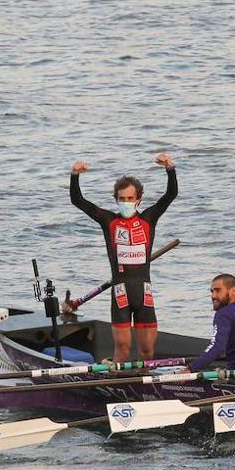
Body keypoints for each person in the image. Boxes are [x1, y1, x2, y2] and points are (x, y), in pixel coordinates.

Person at [70, 152, 177, 363]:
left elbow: (170, 195)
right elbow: (77, 200)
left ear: (138, 200)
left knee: (147, 351)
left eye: (130, 198)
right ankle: (119, 381)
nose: (126, 202)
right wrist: (75, 175)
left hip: (144, 292)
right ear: (116, 200)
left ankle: (145, 382)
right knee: (123, 349)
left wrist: (170, 168)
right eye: (122, 199)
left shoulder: (149, 218)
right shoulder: (108, 220)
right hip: (120, 291)